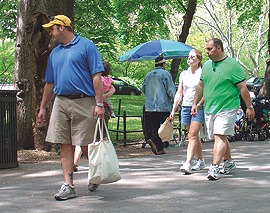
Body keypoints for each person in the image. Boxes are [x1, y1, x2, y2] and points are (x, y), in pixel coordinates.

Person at [38, 15, 105, 200]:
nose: (50, 33)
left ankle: (96, 173)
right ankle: (69, 185)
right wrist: (43, 107)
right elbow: (50, 83)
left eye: (51, 29)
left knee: (85, 144)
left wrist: (99, 104)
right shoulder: (55, 53)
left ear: (61, 27)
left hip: (84, 101)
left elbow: (96, 76)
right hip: (61, 101)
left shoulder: (87, 46)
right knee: (64, 142)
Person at [191, 38, 255, 180]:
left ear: (218, 49)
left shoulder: (233, 66)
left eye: (210, 49)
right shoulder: (207, 66)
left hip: (228, 107)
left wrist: (249, 107)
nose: (206, 52)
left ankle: (214, 167)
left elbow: (243, 88)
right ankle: (229, 162)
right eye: (206, 49)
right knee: (220, 136)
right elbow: (201, 86)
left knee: (219, 135)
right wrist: (196, 104)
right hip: (210, 107)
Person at [73, 63, 116, 172]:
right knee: (103, 136)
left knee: (83, 137)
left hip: (90, 107)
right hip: (103, 108)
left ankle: (75, 161)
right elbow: (113, 89)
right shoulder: (107, 80)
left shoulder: (93, 79)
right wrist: (105, 95)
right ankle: (106, 160)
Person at [169, 49, 205, 174]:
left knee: (193, 135)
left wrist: (199, 105)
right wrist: (173, 109)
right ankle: (200, 160)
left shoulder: (203, 73)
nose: (189, 58)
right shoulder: (184, 74)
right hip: (185, 106)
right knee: (193, 135)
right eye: (188, 56)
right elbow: (179, 92)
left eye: (192, 56)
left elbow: (206, 92)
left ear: (199, 60)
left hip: (199, 107)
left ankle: (188, 163)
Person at [142, 55, 176, 155]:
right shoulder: (165, 74)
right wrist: (175, 103)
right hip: (163, 105)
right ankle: (153, 139)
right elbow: (171, 90)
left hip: (151, 106)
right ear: (163, 64)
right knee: (165, 127)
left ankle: (159, 148)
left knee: (155, 126)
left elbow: (143, 89)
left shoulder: (148, 75)